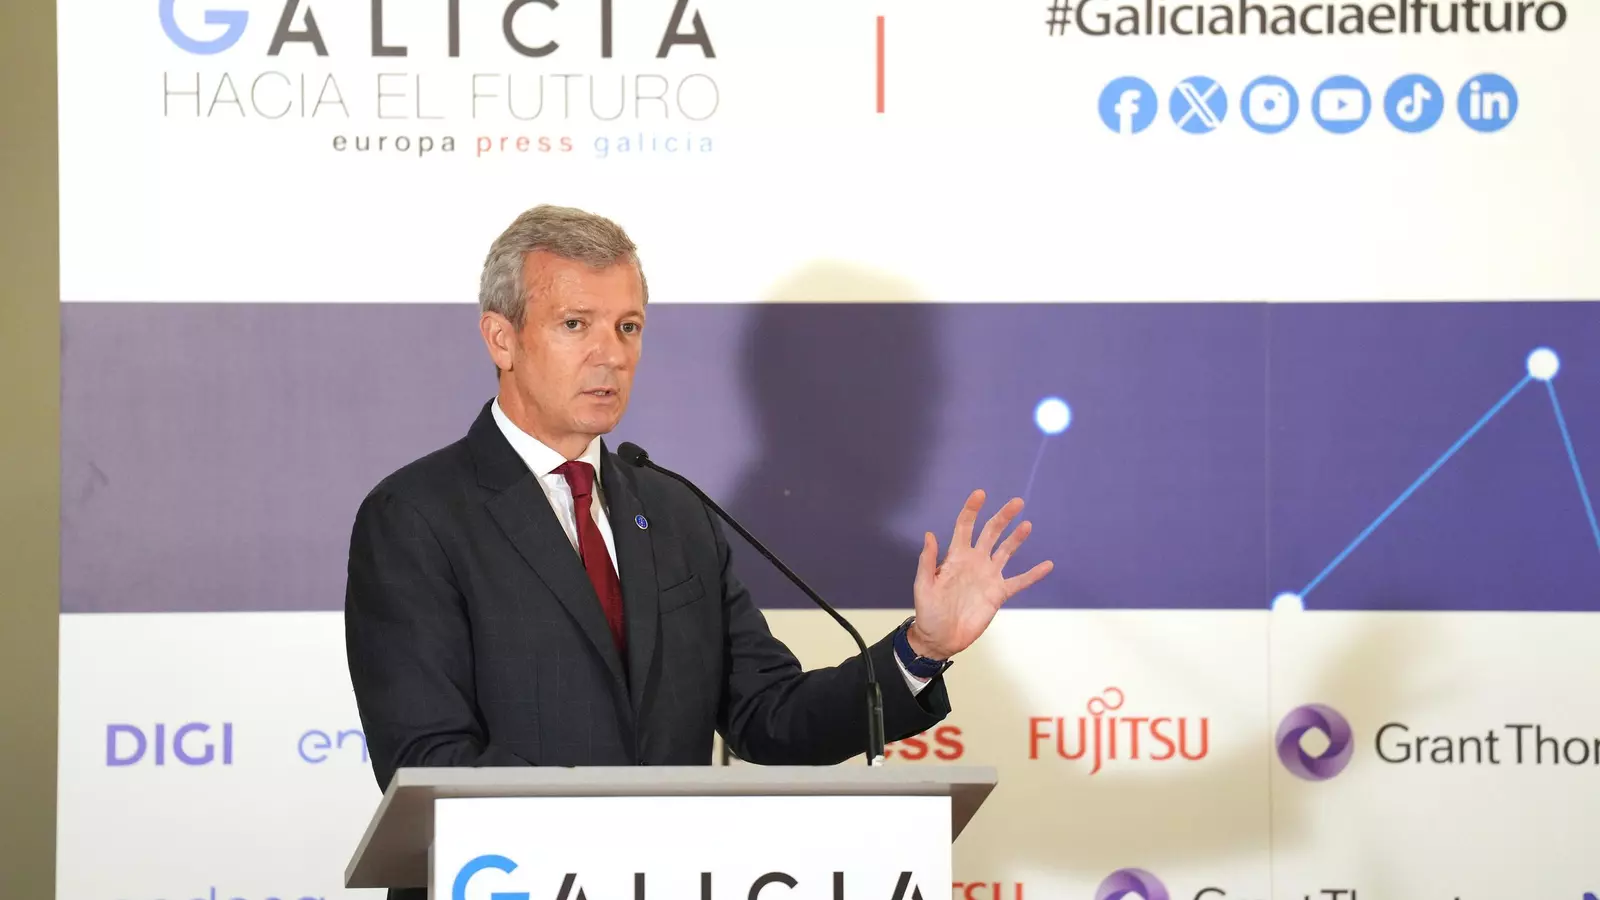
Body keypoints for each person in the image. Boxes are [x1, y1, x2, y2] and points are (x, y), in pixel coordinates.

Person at [342, 203, 1054, 832]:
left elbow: (767, 715)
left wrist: (921, 649)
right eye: (575, 325)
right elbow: (427, 759)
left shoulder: (674, 510)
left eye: (628, 327)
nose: (610, 355)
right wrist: (614, 832)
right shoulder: (415, 517)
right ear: (501, 339)